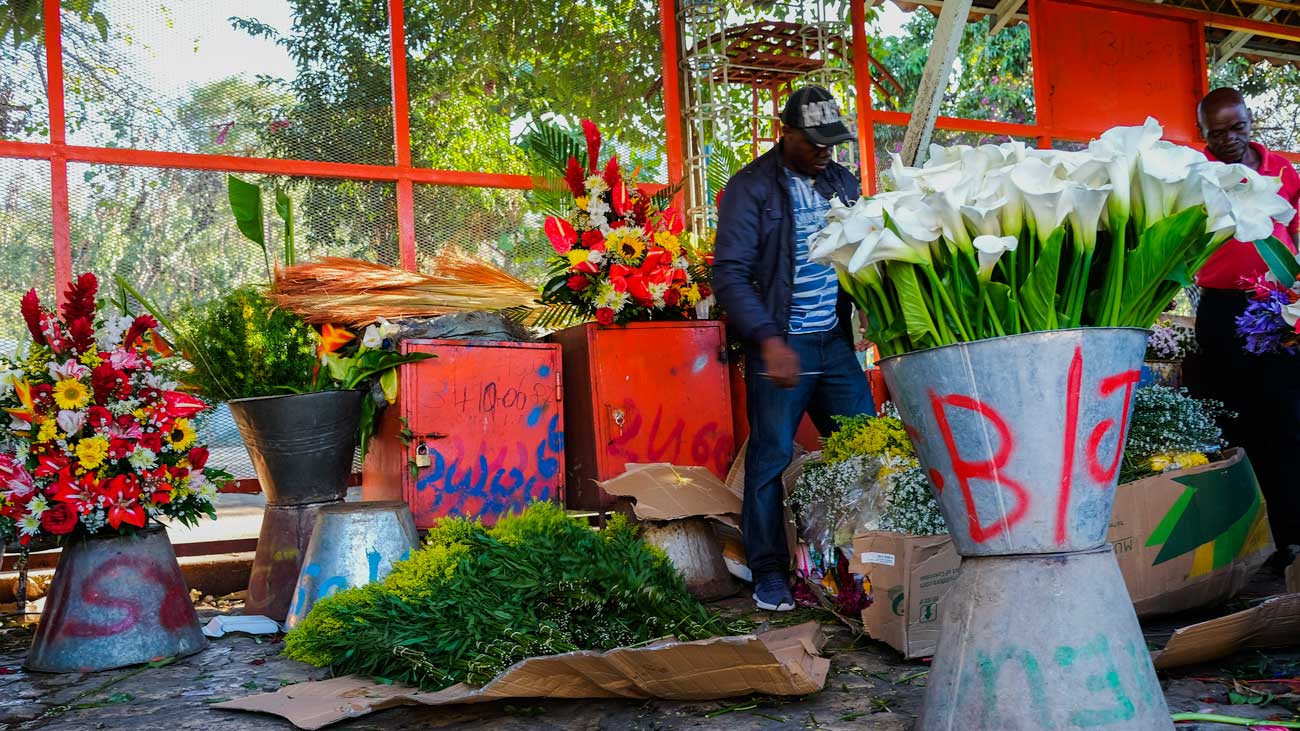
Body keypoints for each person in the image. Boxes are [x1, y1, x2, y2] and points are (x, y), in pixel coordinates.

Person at [713, 86, 876, 611]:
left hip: (833, 343)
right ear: (784, 134)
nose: (826, 152)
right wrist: (768, 340)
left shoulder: (841, 181)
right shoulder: (751, 189)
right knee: (771, 457)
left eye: (833, 142)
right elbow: (731, 275)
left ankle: (864, 561)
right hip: (781, 344)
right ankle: (769, 573)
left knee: (868, 450)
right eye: (815, 142)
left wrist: (872, 307)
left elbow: (861, 248)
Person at [1188, 87, 1300, 569]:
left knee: (1288, 421)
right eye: (1217, 132)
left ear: (1251, 121)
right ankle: (1249, 544)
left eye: (1238, 127)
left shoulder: (1283, 170)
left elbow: (1293, 231)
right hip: (1220, 311)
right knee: (1234, 423)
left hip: (1275, 307)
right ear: (1202, 133)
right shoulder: (1193, 172)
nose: (1229, 139)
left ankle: (1292, 538)